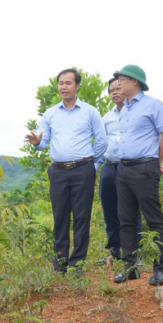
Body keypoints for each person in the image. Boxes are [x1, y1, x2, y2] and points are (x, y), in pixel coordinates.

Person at [25, 68, 107, 274]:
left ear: (77, 86)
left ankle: (76, 264)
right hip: (58, 172)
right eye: (61, 83)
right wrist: (36, 142)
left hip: (83, 171)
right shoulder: (51, 113)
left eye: (68, 83)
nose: (64, 87)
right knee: (60, 217)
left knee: (81, 217)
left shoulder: (89, 111)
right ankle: (59, 265)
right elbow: (43, 143)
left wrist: (91, 165)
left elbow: (102, 141)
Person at [111, 65, 163, 286]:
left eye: (122, 79)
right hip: (123, 168)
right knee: (126, 220)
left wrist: (156, 163)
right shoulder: (124, 108)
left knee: (153, 220)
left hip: (145, 167)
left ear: (134, 82)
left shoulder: (153, 105)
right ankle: (130, 267)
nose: (118, 84)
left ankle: (160, 269)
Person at [95, 78, 142, 264]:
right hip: (109, 167)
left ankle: (134, 254)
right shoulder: (106, 118)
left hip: (131, 167)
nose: (114, 92)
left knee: (131, 212)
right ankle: (114, 252)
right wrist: (94, 168)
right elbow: (101, 145)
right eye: (111, 90)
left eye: (118, 88)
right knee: (110, 212)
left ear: (126, 89)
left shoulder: (137, 114)